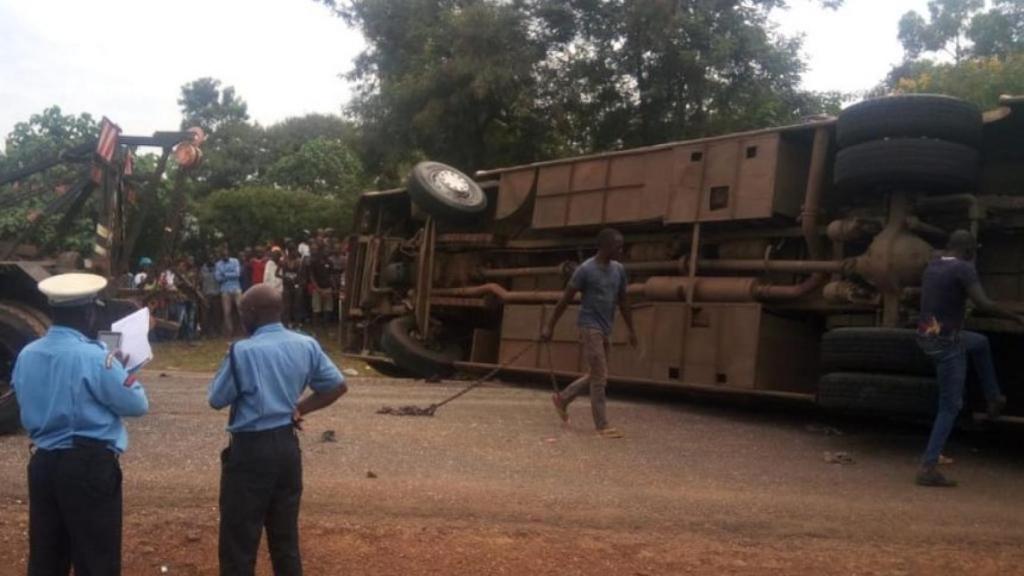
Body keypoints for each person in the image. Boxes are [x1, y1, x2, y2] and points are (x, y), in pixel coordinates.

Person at [12, 273, 149, 575]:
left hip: (43, 463)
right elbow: (137, 404)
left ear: (52, 311)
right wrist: (124, 370)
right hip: (88, 466)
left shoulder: (27, 354)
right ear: (89, 313)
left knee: (46, 557)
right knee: (96, 559)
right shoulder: (96, 357)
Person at [208, 284, 347, 575]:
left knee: (239, 541)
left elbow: (217, 399)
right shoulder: (306, 344)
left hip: (250, 451)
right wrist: (300, 408)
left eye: (242, 312)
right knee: (285, 539)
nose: (241, 318)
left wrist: (228, 361)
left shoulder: (242, 351)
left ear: (252, 313)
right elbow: (337, 386)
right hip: (287, 447)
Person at [915, 230, 1022, 487]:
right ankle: (928, 467)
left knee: (980, 343)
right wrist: (1016, 317)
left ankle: (994, 397)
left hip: (927, 336)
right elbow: (983, 303)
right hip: (947, 343)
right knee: (950, 406)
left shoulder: (933, 265)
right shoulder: (963, 268)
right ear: (969, 250)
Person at [541, 228, 636, 439]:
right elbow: (565, 299)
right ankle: (602, 425)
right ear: (605, 247)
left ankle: (562, 399)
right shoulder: (585, 270)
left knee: (597, 373)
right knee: (600, 376)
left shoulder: (619, 270)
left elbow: (623, 301)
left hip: (606, 327)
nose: (621, 251)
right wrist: (550, 326)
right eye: (618, 246)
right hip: (589, 326)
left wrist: (631, 329)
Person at [215, 246, 244, 337]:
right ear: (221, 256)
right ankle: (229, 332)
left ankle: (245, 329)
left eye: (226, 254)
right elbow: (218, 278)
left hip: (236, 288)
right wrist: (231, 274)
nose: (225, 256)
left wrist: (225, 274)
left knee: (241, 309)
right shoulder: (218, 264)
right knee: (227, 312)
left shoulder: (235, 261)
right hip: (225, 290)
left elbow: (237, 274)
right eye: (223, 255)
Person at [308, 244, 334, 326]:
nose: (327, 251)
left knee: (328, 309)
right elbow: (312, 276)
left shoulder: (330, 262)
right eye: (325, 250)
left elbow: (331, 275)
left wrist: (332, 287)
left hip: (327, 288)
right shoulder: (314, 262)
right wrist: (317, 288)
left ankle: (326, 326)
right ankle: (315, 327)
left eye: (328, 250)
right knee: (316, 309)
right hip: (317, 288)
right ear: (321, 251)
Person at [201, 258, 222, 338]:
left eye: (213, 259)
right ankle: (205, 333)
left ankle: (217, 332)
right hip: (206, 295)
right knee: (205, 316)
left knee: (216, 315)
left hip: (216, 294)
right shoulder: (203, 269)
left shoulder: (218, 268)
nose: (211, 260)